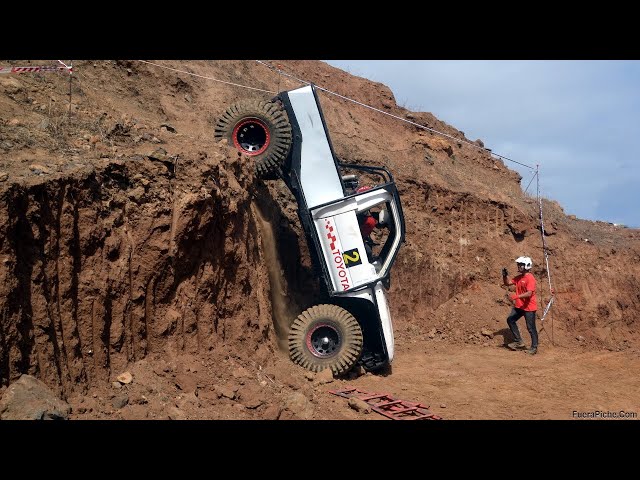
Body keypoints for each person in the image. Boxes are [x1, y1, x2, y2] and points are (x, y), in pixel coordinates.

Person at [501, 256, 538, 355]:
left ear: (526, 266)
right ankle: (519, 341)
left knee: (531, 328)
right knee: (510, 320)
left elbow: (529, 293)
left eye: (520, 264)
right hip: (520, 306)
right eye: (518, 264)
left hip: (529, 307)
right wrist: (505, 275)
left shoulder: (530, 278)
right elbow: (508, 283)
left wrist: (515, 297)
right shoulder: (519, 277)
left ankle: (534, 347)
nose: (518, 266)